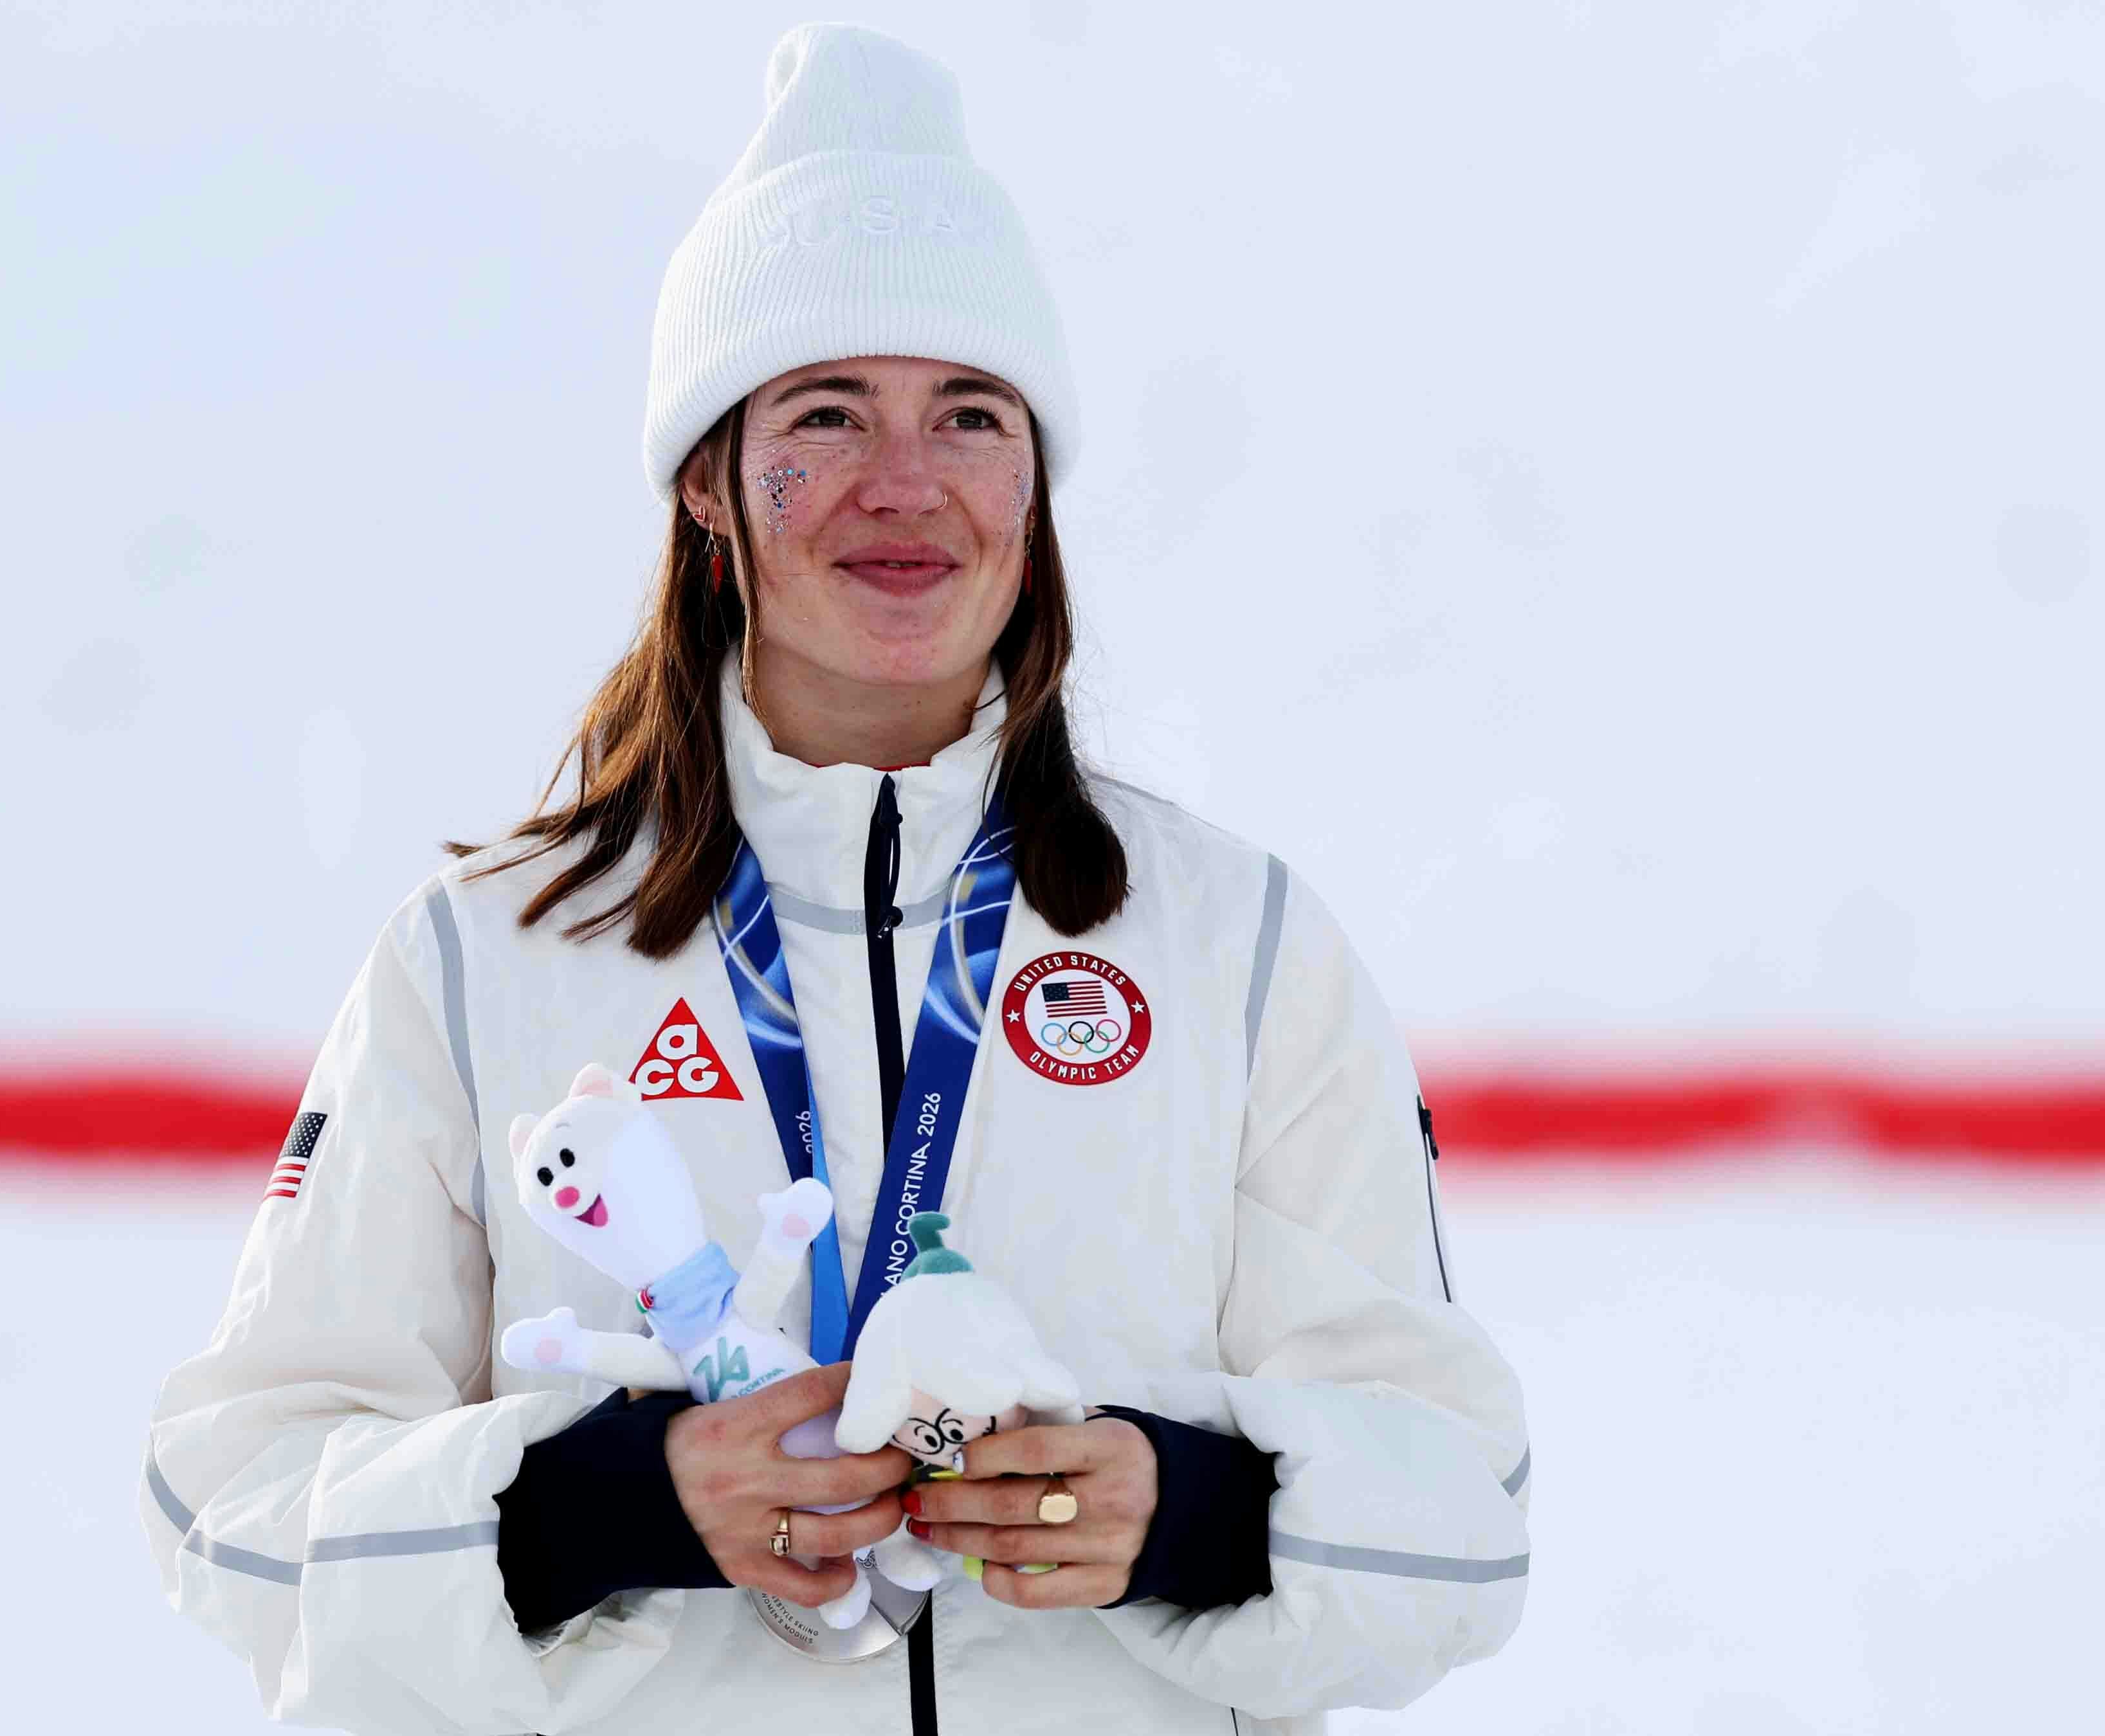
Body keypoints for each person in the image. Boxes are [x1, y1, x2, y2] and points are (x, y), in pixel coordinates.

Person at [140, 23, 1531, 1735]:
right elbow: (233, 1515)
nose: (906, 483)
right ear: (713, 485)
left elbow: (1464, 1521)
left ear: (1037, 477)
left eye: (970, 412)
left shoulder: (1235, 945)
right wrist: (625, 1502)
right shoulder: (480, 959)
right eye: (824, 411)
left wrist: (1185, 1509)